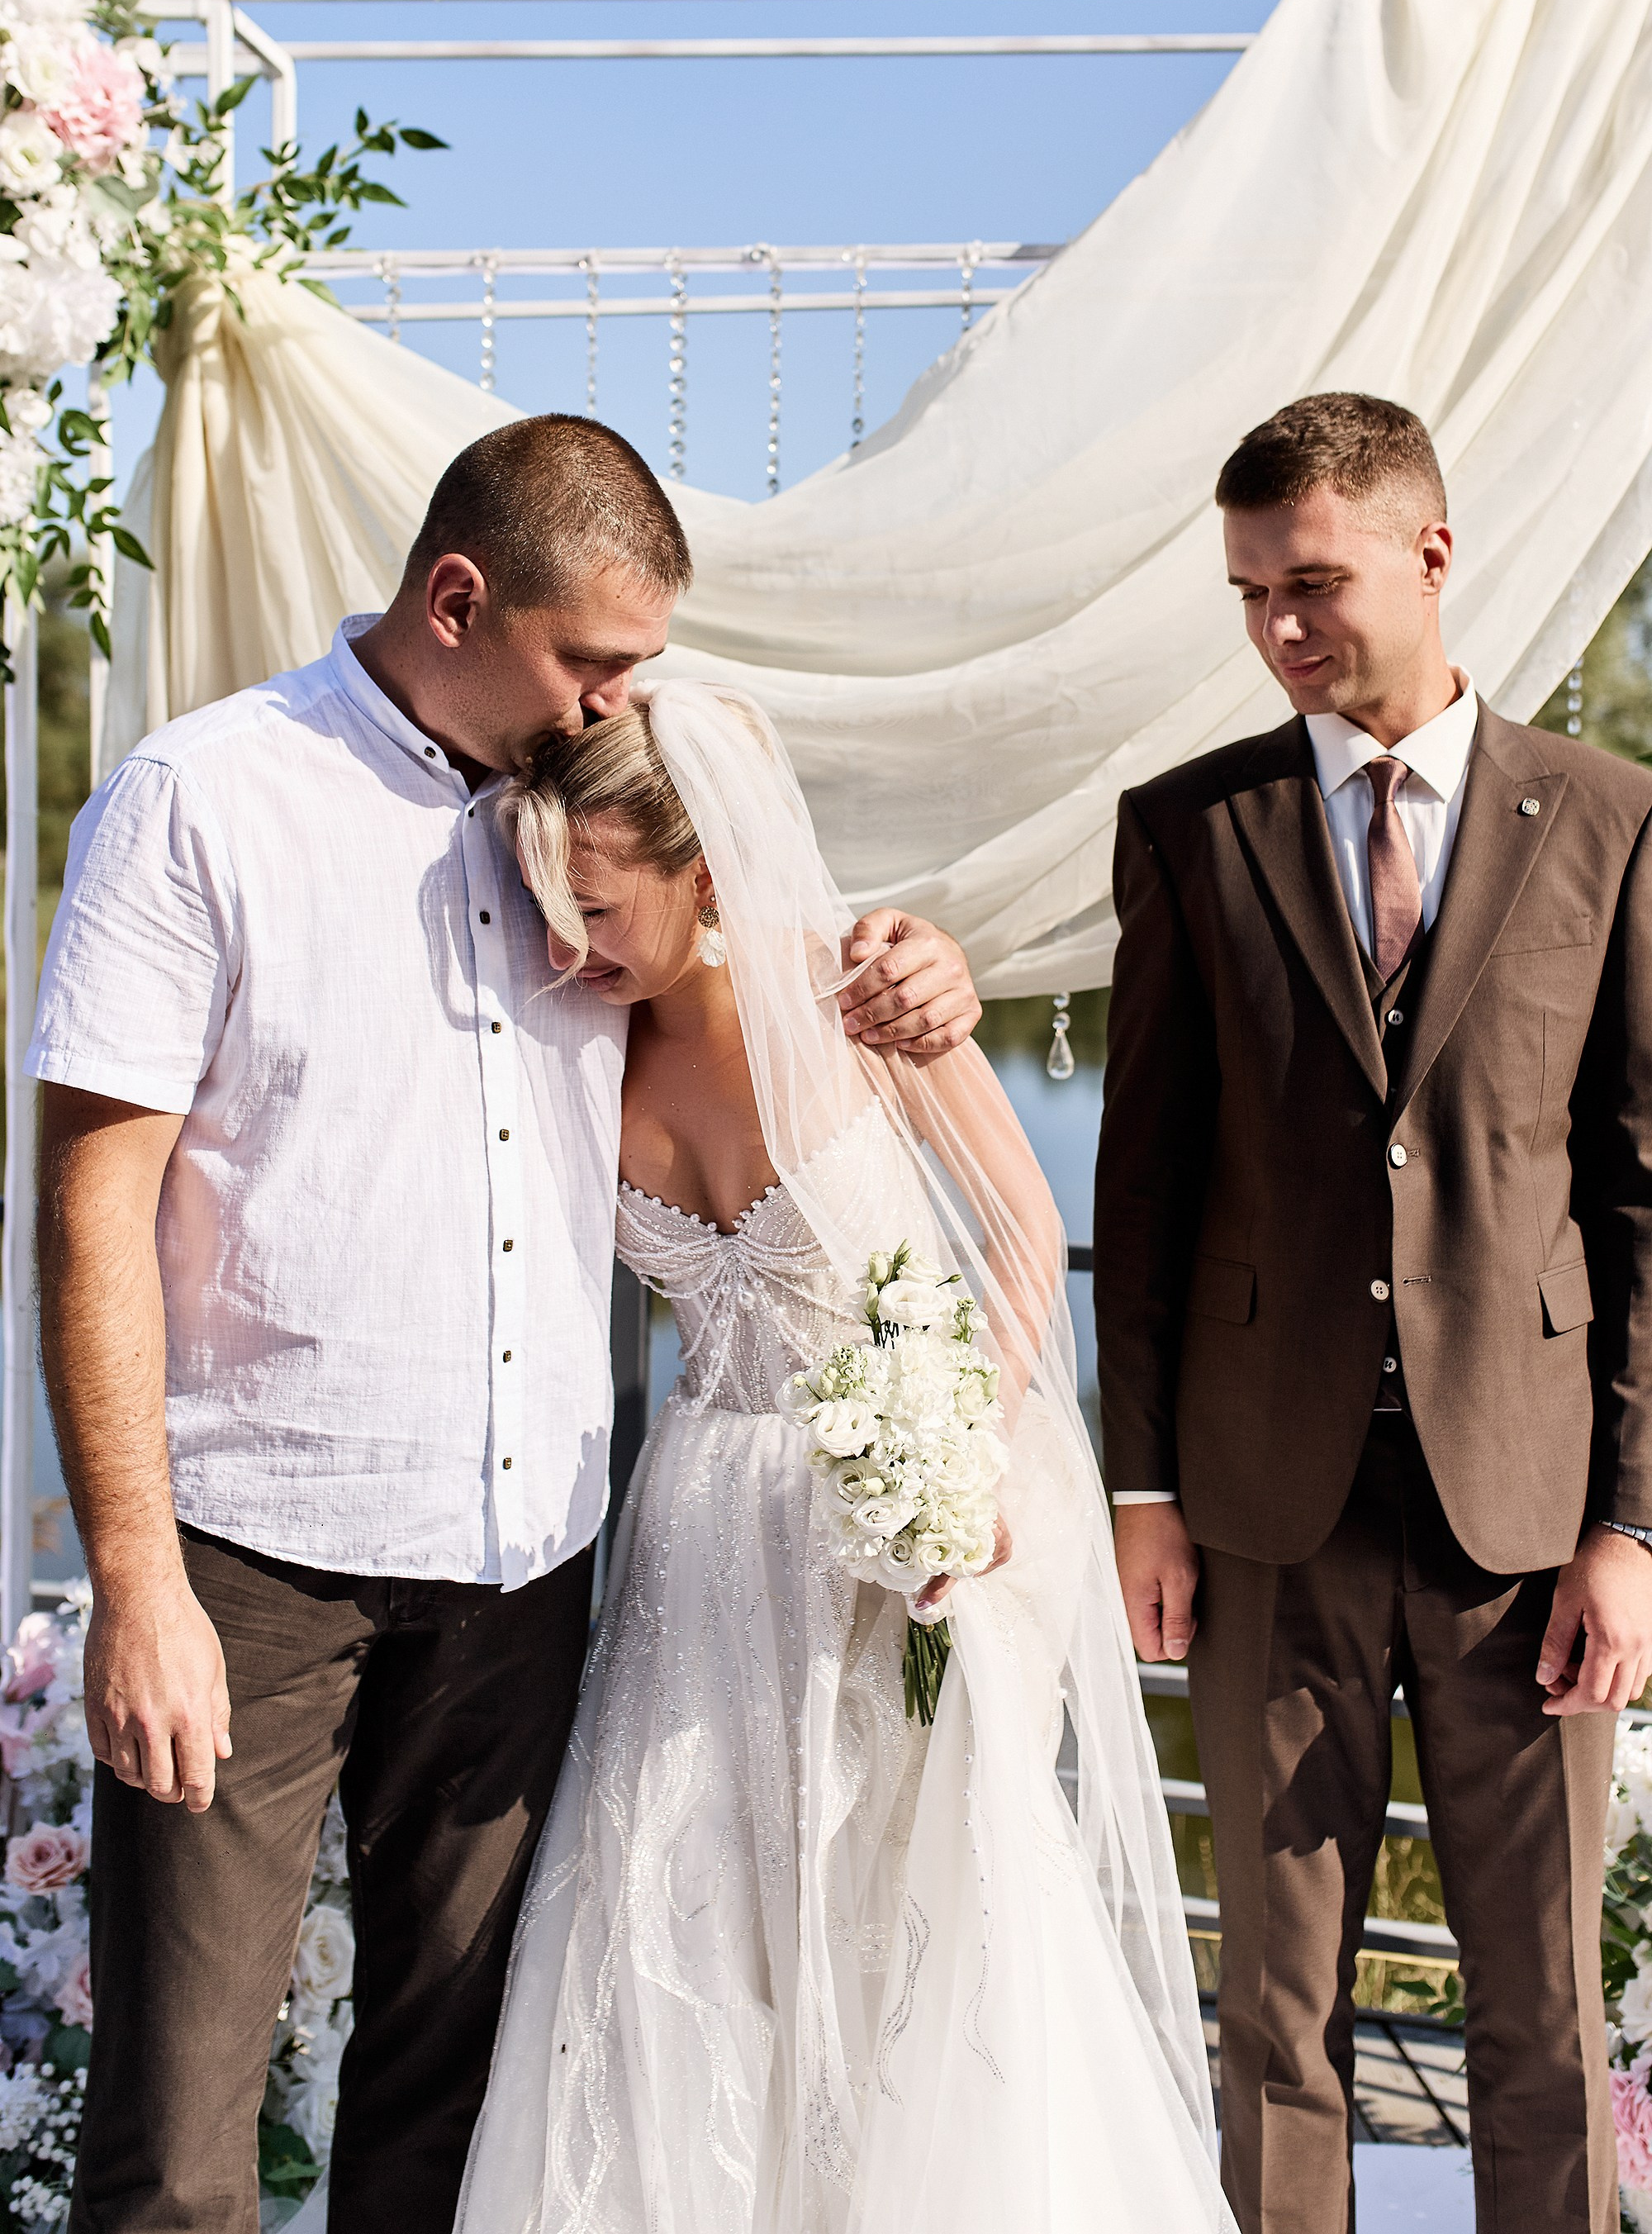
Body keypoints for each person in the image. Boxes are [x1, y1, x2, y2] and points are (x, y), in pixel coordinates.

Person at [31, 414, 983, 2234]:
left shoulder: (589, 827)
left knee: (457, 2105)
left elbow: (754, 981)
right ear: (459, 598)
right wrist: (137, 1580)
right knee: (175, 2127)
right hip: (253, 1561)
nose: (623, 698)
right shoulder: (201, 796)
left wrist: (912, 962)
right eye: (595, 659)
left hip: (524, 1564)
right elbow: (89, 1206)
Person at [454, 679, 1233, 2233]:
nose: (567, 943)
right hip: (696, 1531)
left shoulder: (861, 1000)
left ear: (711, 876)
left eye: (600, 907)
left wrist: (971, 1462)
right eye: (551, 904)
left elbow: (1022, 1235)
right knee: (679, 1903)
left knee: (909, 1909)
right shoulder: (574, 1039)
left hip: (896, 1528)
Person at [1094, 390, 1652, 2234]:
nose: (1276, 630)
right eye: (1251, 594)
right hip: (1263, 1506)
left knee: (1541, 2023)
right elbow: (1148, 1184)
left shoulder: (1611, 822)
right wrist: (1142, 1487)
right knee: (1271, 2016)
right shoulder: (1191, 829)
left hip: (1528, 1511)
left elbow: (1643, 1199)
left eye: (1310, 584)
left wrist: (1629, 1524)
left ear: (1429, 553)